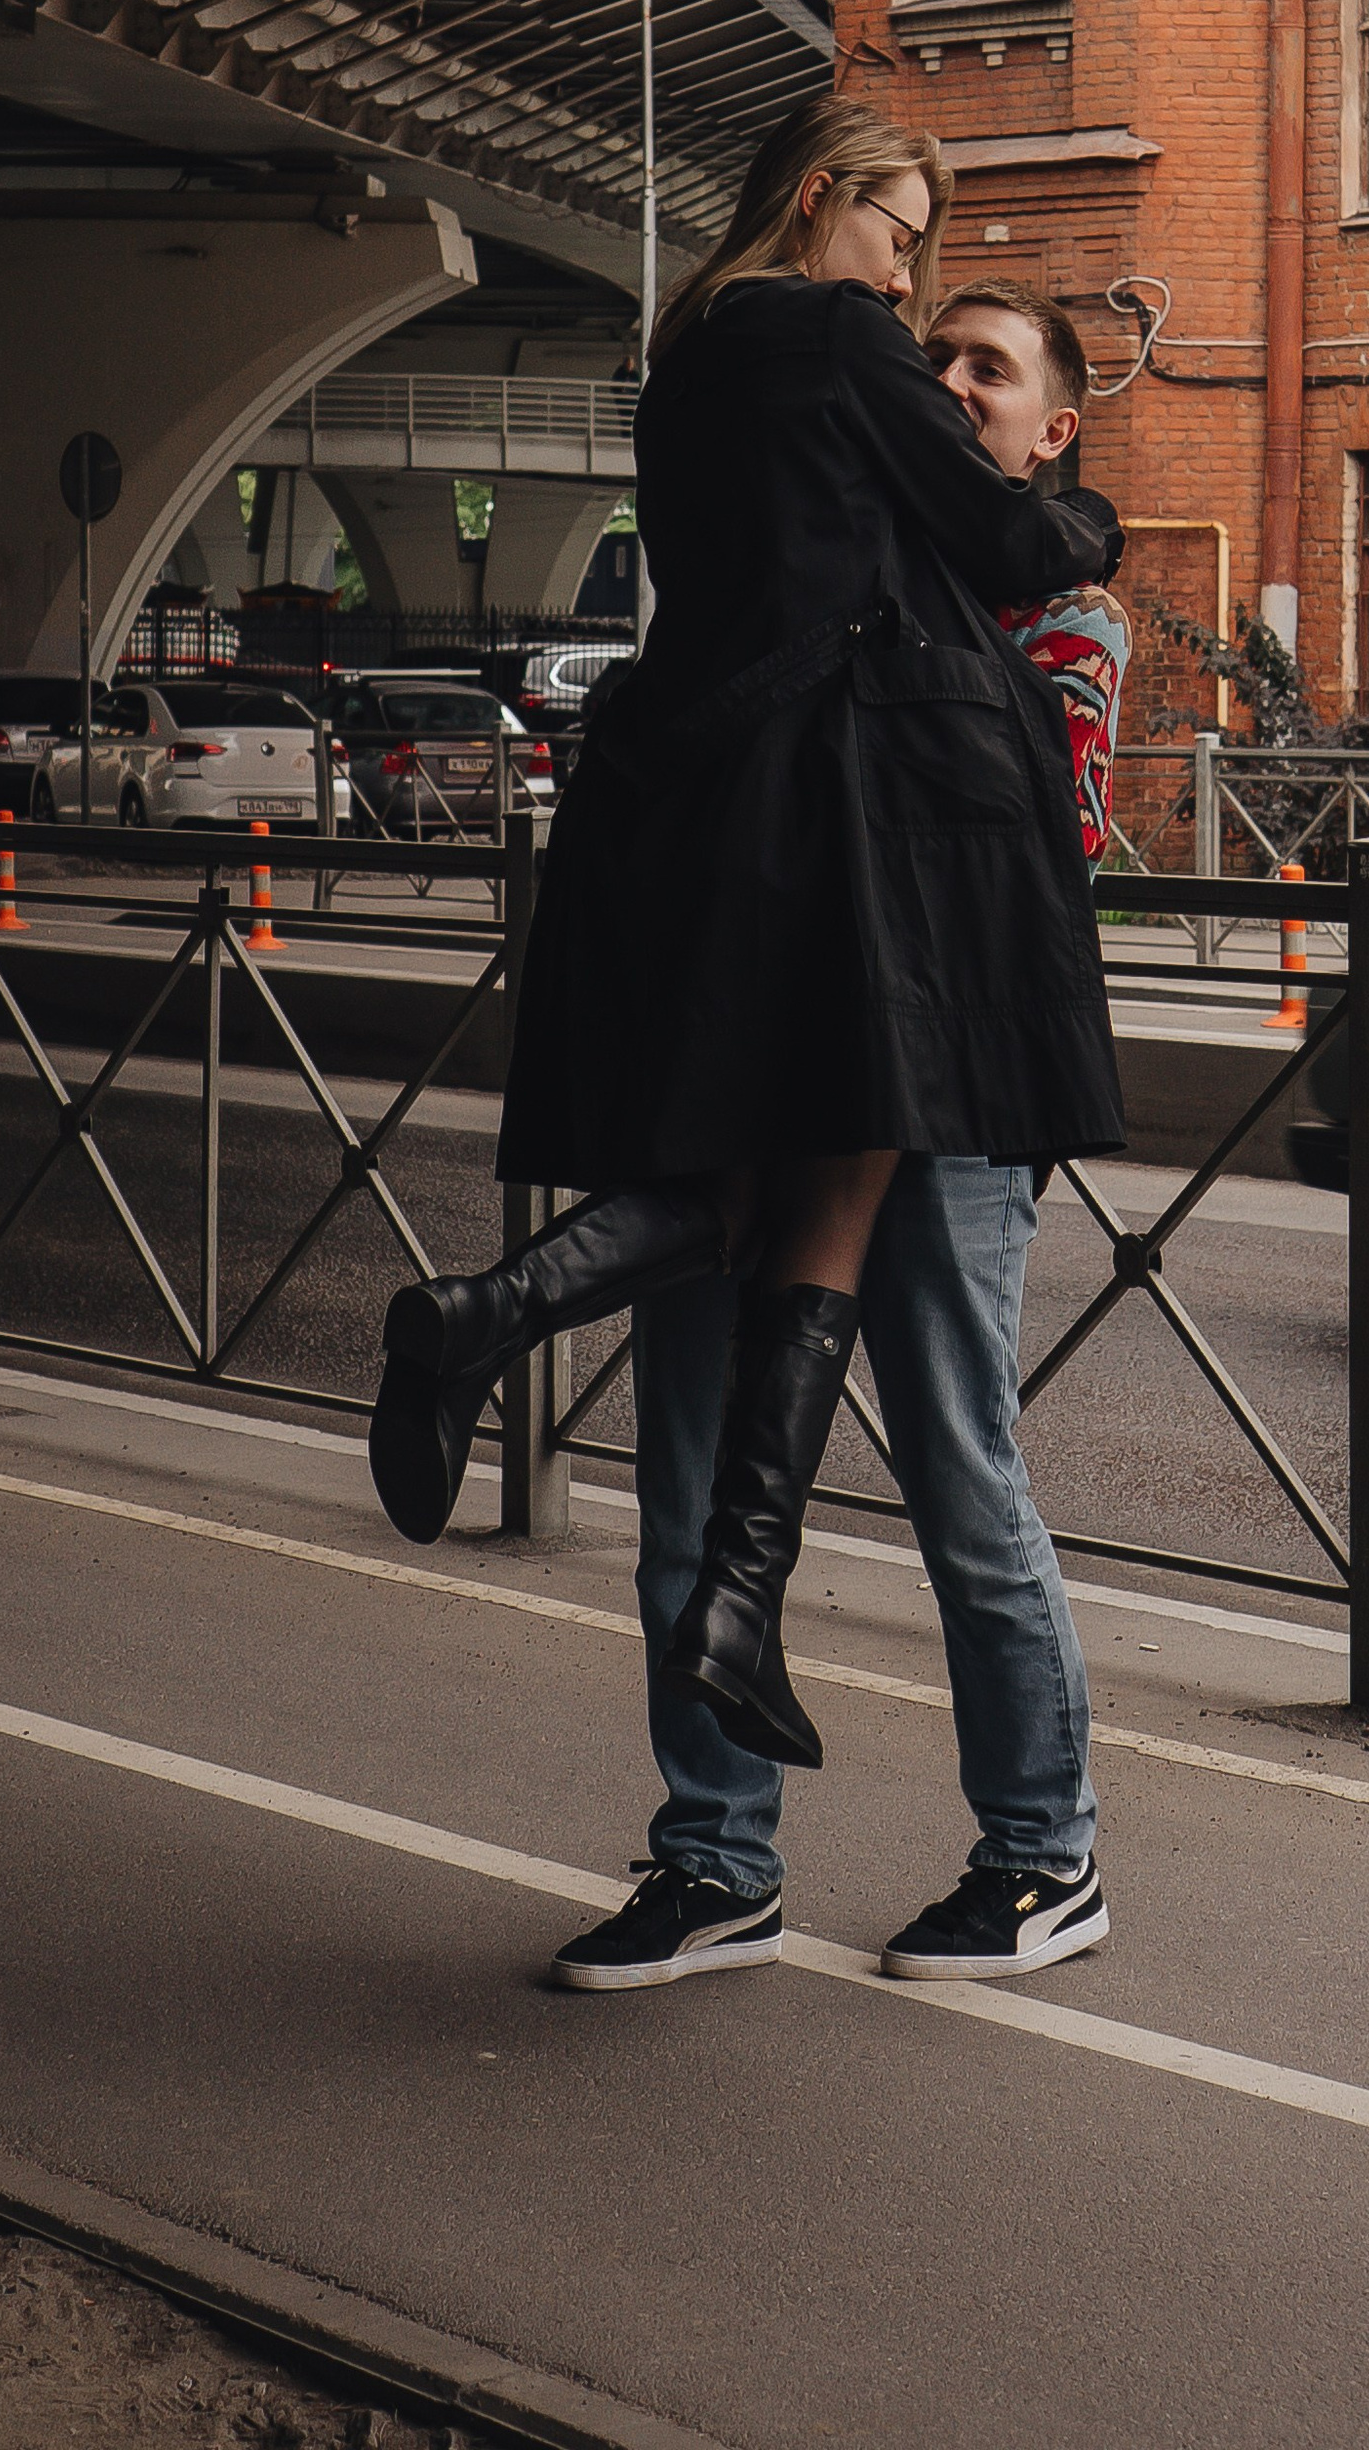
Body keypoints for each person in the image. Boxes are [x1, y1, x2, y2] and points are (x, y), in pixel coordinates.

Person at [366, 103, 1124, 1795]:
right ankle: (728, 1590)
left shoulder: (690, 346)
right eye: (902, 230)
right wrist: (1093, 526)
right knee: (841, 1172)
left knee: (773, 1186)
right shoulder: (836, 332)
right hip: (837, 829)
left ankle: (510, 1334)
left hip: (698, 814)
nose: (908, 270)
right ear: (821, 200)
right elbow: (1007, 544)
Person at [555, 278, 1129, 1991]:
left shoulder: (1054, 617)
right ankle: (714, 1861)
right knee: (687, 1483)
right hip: (761, 1074)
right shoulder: (817, 572)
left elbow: (1038, 850)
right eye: (929, 360)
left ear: (1050, 429)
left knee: (962, 1471)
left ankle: (1045, 1855)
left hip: (945, 1095)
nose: (949, 386)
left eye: (990, 370)